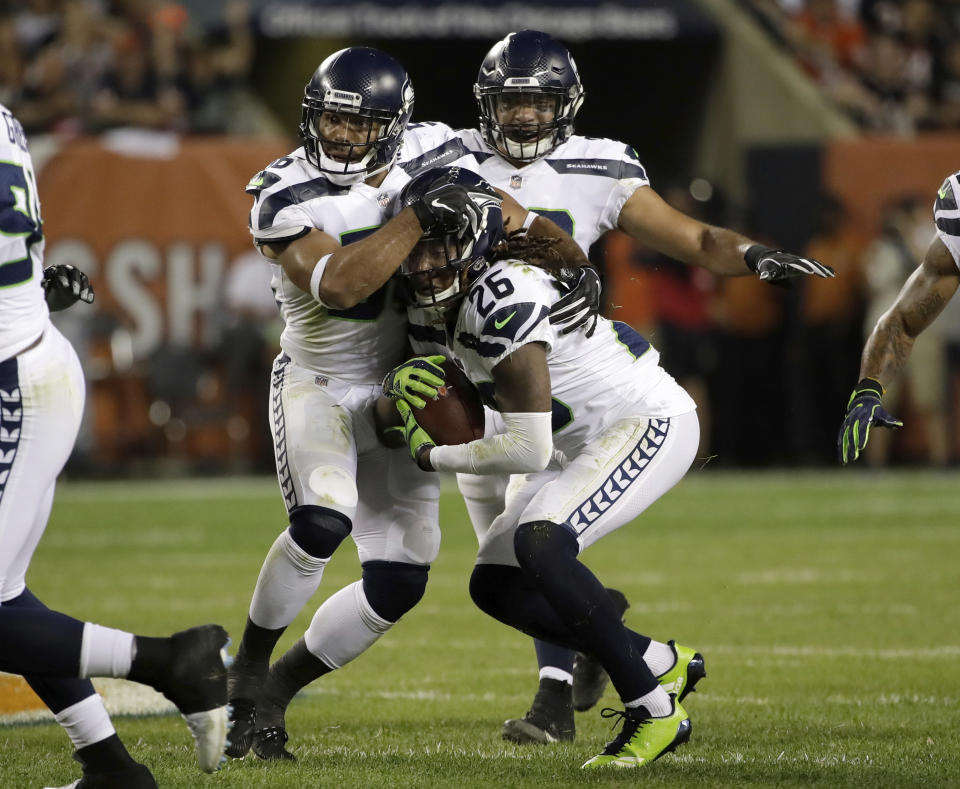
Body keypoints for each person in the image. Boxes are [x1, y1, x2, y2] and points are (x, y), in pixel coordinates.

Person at [430, 28, 836, 744]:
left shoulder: (599, 164)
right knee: (501, 579)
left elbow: (695, 239)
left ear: (568, 103)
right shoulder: (445, 156)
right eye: (511, 102)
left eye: (538, 102)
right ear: (485, 103)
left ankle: (636, 701)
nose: (523, 117)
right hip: (505, 392)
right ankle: (634, 661)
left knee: (539, 546)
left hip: (585, 387)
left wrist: (758, 255)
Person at [224, 46, 595, 761]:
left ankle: (276, 690)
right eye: (331, 120)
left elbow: (507, 212)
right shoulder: (284, 192)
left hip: (411, 381)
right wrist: (421, 215)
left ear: (395, 126)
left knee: (399, 577)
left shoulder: (434, 146)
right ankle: (247, 667)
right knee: (322, 517)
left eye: (358, 126)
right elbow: (340, 285)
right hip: (321, 384)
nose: (339, 137)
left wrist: (571, 259)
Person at [383, 165, 702, 769]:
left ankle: (653, 711)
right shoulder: (429, 308)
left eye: (441, 244)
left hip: (641, 422)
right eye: (415, 245)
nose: (425, 263)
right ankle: (660, 661)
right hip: (575, 441)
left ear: (475, 239)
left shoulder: (502, 291)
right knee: (495, 585)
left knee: (541, 544)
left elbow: (525, 450)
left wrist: (433, 454)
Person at [0, 103, 229, 789]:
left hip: (14, 383)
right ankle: (111, 767)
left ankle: (171, 661)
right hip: (28, 356)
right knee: (5, 596)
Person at [838, 171, 960, 464]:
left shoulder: (929, 236)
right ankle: (875, 465)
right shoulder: (881, 247)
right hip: (896, 328)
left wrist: (908, 235)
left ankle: (941, 460)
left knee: (931, 399)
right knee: (881, 400)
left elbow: (932, 265)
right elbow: (872, 285)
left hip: (928, 329)